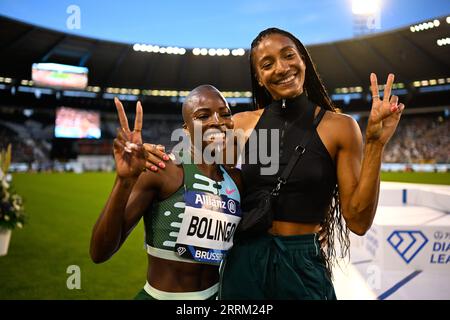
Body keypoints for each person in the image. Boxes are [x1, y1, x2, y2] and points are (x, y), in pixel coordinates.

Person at [145, 28, 405, 300]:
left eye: (288, 56)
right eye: (267, 65)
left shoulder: (341, 127)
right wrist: (152, 154)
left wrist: (375, 144)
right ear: (259, 77)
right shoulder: (241, 124)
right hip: (244, 260)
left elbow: (359, 222)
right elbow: (202, 169)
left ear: (303, 60)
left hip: (302, 262)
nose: (281, 68)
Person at [89, 85, 242, 300]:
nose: (217, 121)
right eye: (203, 115)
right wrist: (124, 181)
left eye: (225, 114)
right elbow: (100, 252)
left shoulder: (235, 181)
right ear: (186, 129)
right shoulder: (163, 171)